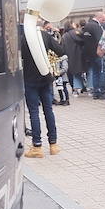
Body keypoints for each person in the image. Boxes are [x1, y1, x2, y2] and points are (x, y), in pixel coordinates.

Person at [19, 20, 65, 156]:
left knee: (34, 112)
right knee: (48, 110)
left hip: (30, 79)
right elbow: (61, 51)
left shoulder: (23, 39)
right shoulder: (45, 36)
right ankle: (53, 144)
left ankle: (37, 146)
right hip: (46, 78)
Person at [82, 11, 105, 99]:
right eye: (103, 19)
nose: (104, 21)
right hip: (98, 52)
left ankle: (96, 91)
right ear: (99, 18)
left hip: (90, 54)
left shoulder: (87, 26)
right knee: (102, 72)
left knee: (95, 72)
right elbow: (100, 40)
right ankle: (102, 91)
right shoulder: (96, 26)